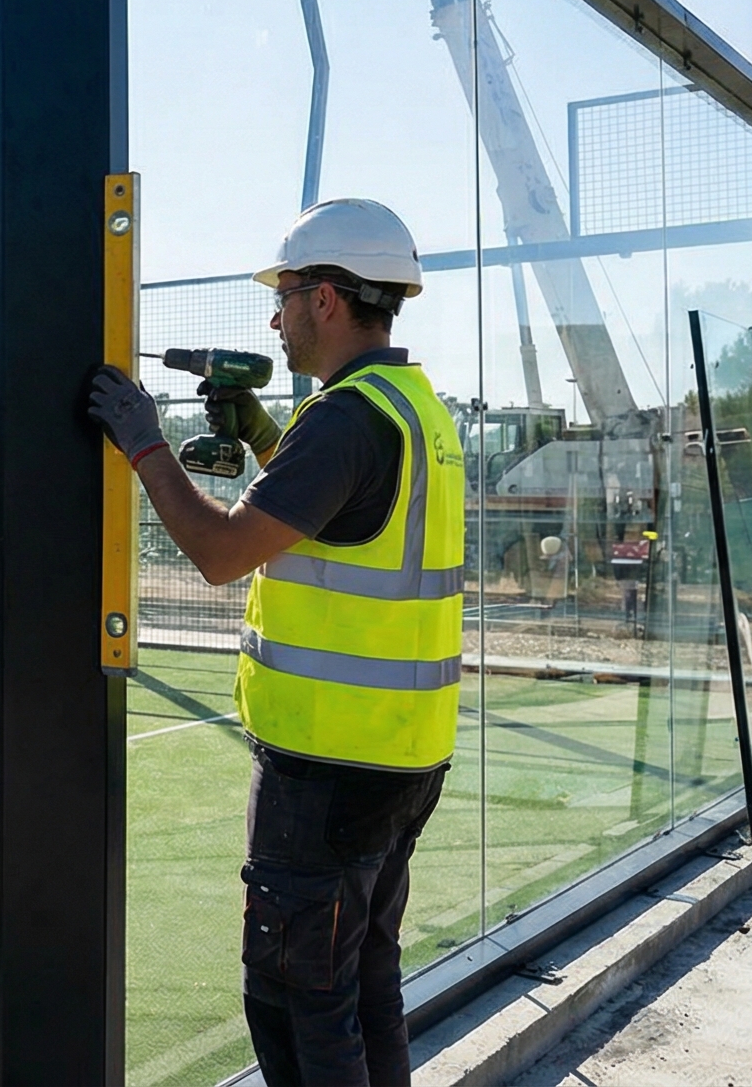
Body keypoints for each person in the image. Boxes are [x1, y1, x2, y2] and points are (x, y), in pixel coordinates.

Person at [85, 199, 464, 1087]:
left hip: (327, 767)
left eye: (285, 293)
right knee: (366, 983)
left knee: (299, 1002)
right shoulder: (411, 409)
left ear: (327, 299)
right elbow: (332, 517)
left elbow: (221, 553)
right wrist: (260, 430)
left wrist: (143, 444)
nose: (274, 315)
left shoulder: (342, 422)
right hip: (403, 758)